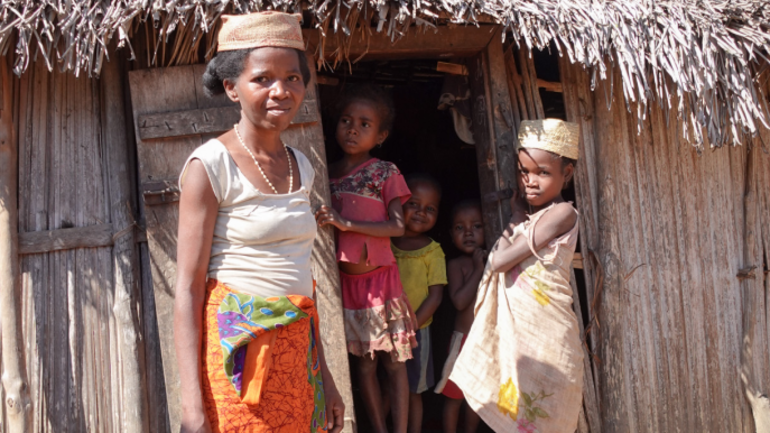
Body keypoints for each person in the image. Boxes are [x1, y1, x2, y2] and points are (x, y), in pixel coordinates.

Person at [173, 11, 344, 433]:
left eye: (293, 78)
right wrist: (191, 406)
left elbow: (301, 282)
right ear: (231, 87)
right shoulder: (209, 166)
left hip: (296, 355)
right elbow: (189, 288)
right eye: (263, 79)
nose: (280, 91)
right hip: (238, 357)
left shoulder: (302, 166)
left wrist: (328, 377)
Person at [449, 119, 584, 433]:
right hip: (520, 333)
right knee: (518, 405)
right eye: (524, 172)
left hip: (547, 331)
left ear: (567, 173)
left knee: (543, 407)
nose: (530, 182)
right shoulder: (535, 217)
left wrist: (516, 216)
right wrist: (520, 216)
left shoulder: (562, 214)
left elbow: (498, 261)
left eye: (543, 173)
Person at [315, 84, 416, 433]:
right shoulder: (325, 172)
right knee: (365, 367)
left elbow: (397, 226)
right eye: (346, 121)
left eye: (364, 124)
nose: (353, 129)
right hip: (344, 285)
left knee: (393, 363)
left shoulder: (384, 172)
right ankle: (378, 428)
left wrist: (346, 223)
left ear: (381, 134)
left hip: (380, 284)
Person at [390, 174, 447, 433]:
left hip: (417, 333)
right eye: (414, 203)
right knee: (389, 384)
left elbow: (435, 297)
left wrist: (410, 328)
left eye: (430, 208)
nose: (421, 212)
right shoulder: (386, 243)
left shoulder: (433, 251)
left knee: (414, 390)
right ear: (398, 203)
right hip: (385, 330)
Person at [434, 199, 485, 433]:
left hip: (486, 342)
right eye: (459, 228)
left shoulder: (495, 261)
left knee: (476, 397)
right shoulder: (457, 265)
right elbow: (460, 301)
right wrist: (478, 270)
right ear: (451, 235)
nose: (468, 233)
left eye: (476, 226)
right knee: (455, 396)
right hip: (463, 342)